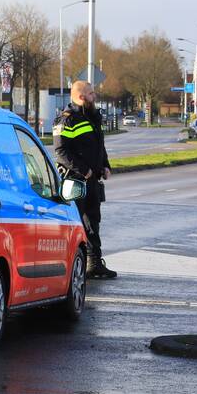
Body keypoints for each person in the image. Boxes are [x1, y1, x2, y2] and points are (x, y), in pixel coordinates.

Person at [52, 80, 116, 279]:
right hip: (75, 180)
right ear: (81, 97)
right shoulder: (66, 120)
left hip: (92, 180)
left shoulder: (92, 118)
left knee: (92, 222)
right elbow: (61, 151)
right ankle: (73, 265)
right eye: (91, 93)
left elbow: (99, 146)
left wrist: (105, 165)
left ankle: (94, 263)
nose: (94, 96)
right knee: (76, 223)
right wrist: (85, 171)